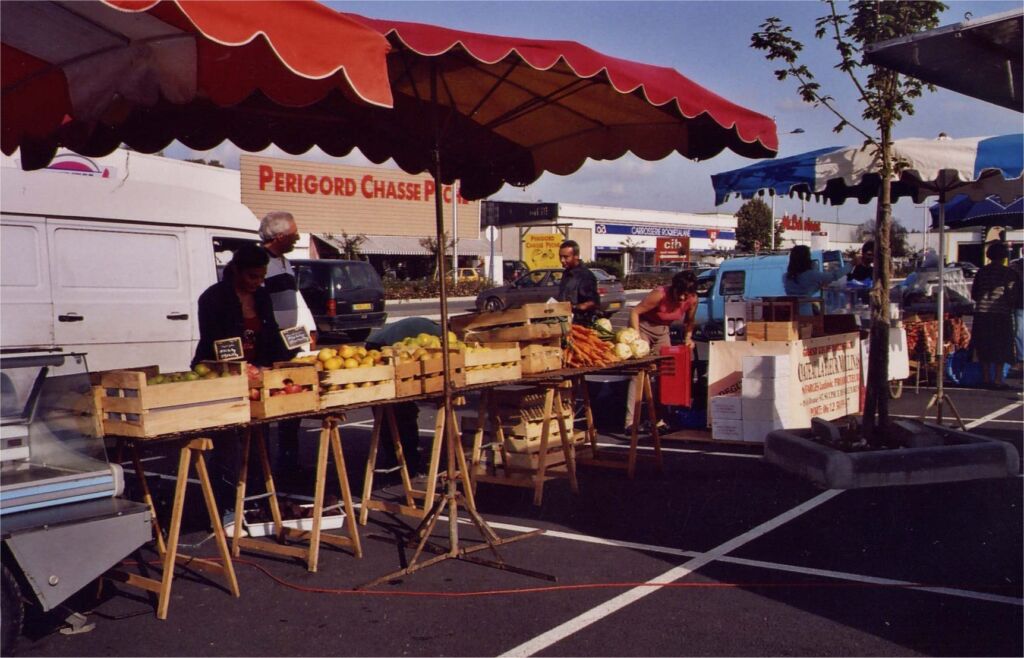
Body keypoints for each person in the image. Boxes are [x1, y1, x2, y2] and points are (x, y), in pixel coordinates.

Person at [192, 244, 291, 512]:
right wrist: (239, 368)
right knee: (227, 447)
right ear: (235, 270)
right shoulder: (213, 298)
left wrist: (286, 361)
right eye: (252, 277)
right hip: (221, 377)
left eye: (261, 277)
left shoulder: (261, 297)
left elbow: (271, 335)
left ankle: (257, 504)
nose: (257, 283)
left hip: (255, 379)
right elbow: (215, 342)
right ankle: (224, 508)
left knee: (260, 443)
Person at [259, 211, 317, 473]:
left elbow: (294, 299)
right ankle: (263, 466)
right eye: (294, 234)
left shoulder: (284, 262)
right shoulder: (260, 262)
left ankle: (289, 461)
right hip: (270, 343)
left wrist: (309, 330)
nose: (297, 238)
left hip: (290, 341)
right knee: (268, 404)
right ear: (280, 236)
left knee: (292, 402)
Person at [623, 270, 698, 433]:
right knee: (639, 374)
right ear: (674, 288)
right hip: (643, 326)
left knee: (663, 374)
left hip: (663, 330)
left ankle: (657, 419)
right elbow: (635, 312)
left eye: (687, 294)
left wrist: (688, 337)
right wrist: (637, 338)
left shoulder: (692, 300)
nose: (682, 298)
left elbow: (690, 321)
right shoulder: (659, 294)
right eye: (680, 293)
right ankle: (630, 422)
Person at [363, 318, 439, 476]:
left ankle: (397, 459)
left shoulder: (429, 329)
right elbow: (409, 357)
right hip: (383, 350)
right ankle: (403, 461)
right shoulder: (435, 338)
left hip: (379, 344)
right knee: (399, 411)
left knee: (391, 412)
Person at [970, 242, 1021, 390]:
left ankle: (986, 378)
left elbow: (974, 294)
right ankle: (998, 379)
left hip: (982, 313)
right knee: (1001, 346)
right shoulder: (1009, 274)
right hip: (1001, 314)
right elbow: (1013, 296)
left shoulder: (981, 272)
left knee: (984, 345)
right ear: (1004, 256)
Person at [556, 240, 600, 325]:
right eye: (560, 257)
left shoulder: (585, 276)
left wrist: (574, 307)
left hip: (580, 325)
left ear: (576, 256)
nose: (562, 260)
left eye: (566, 257)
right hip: (565, 322)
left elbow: (593, 302)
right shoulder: (566, 273)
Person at [782, 244, 847, 301]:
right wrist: (851, 264)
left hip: (791, 311)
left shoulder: (786, 277)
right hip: (805, 311)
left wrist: (818, 286)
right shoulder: (811, 275)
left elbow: (801, 291)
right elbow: (834, 276)